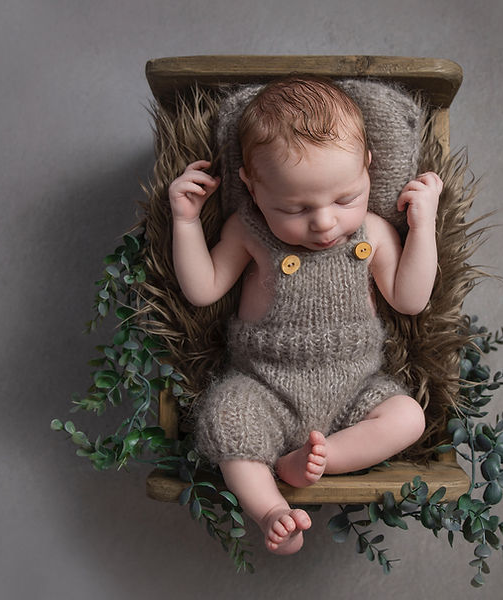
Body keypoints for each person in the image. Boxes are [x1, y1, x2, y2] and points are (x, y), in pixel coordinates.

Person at [168, 76, 442, 555]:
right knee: (227, 417)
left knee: (406, 416)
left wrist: (423, 226)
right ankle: (272, 511)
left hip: (353, 387)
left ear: (368, 169)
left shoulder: (374, 232)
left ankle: (326, 458)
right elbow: (202, 289)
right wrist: (186, 222)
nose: (323, 222)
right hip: (266, 385)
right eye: (293, 207)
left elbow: (410, 298)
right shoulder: (247, 229)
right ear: (251, 187)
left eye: (345, 199)